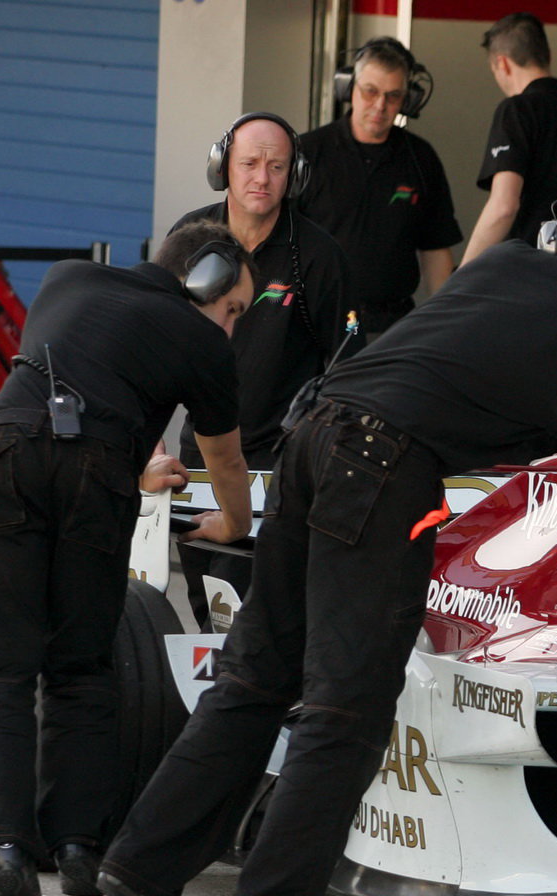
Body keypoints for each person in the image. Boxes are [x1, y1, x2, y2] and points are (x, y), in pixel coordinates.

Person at [98, 179, 557, 896]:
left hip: (312, 442)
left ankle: (142, 863)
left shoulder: (498, 271)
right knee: (346, 704)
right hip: (382, 470)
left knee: (256, 675)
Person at [0, 221, 255, 896]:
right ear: (203, 280)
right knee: (82, 664)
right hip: (96, 477)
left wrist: (140, 455)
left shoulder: (67, 277)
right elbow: (226, 460)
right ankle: (76, 847)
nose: (233, 326)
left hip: (10, 449)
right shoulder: (203, 343)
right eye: (233, 306)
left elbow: (94, 366)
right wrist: (234, 522)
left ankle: (7, 843)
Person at [175, 111, 350, 629]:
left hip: (278, 459)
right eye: (249, 163)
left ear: (293, 176)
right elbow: (150, 338)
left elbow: (345, 365)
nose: (261, 178)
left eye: (277, 167)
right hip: (202, 449)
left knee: (257, 608)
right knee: (208, 602)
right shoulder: (189, 237)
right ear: (223, 167)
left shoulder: (320, 255)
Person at [298, 37, 463, 343]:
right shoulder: (308, 152)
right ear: (349, 88)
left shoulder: (421, 158)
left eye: (393, 96)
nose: (380, 106)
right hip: (316, 320)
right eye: (370, 91)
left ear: (408, 100)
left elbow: (435, 248)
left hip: (392, 325)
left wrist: (444, 324)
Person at [462, 12, 557, 263]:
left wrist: (462, 277)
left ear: (503, 64)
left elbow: (503, 207)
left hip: (527, 277)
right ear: (548, 55)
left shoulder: (516, 111)